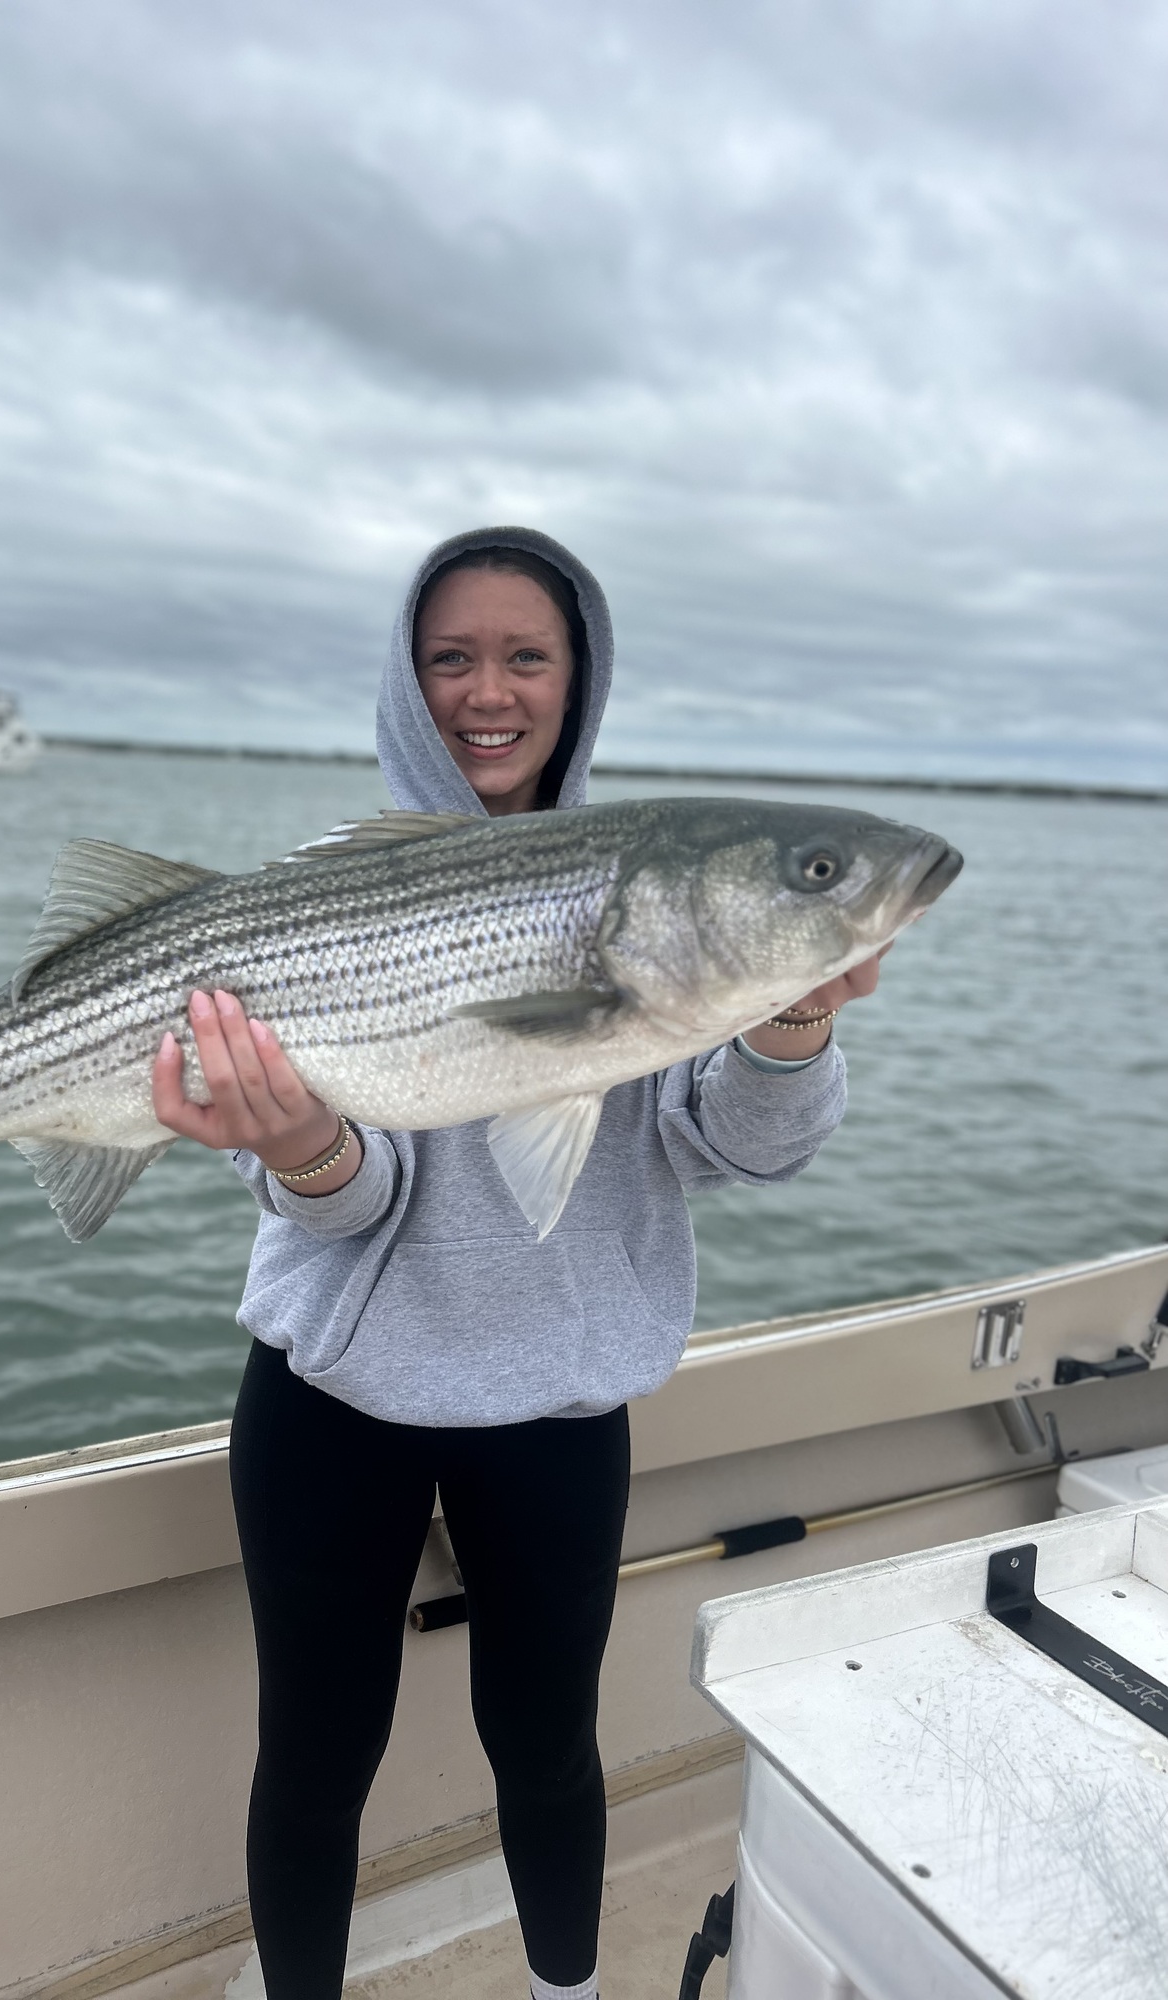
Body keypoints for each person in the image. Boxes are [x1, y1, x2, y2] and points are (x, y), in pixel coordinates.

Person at [150, 527, 885, 2000]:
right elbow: (345, 1208)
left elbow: (737, 1149)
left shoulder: (659, 896)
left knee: (548, 1744)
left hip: (555, 1401)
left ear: (579, 679)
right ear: (406, 681)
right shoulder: (308, 899)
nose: (489, 692)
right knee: (313, 1753)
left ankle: (570, 1992)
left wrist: (791, 1024)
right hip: (333, 1398)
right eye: (452, 657)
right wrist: (300, 1149)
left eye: (526, 655)